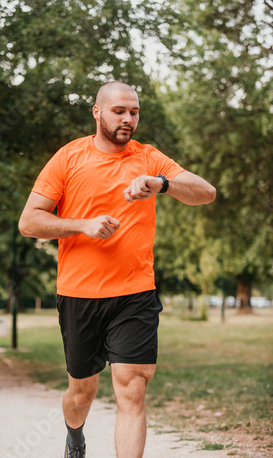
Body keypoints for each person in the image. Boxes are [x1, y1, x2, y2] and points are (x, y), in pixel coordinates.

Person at [19, 81, 216, 458]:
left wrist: (162, 183)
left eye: (134, 112)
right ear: (97, 112)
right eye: (119, 111)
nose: (128, 119)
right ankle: (75, 436)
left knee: (133, 387)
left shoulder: (148, 159)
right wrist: (82, 225)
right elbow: (29, 222)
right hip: (79, 295)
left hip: (135, 294)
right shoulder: (68, 158)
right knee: (82, 391)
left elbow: (205, 192)